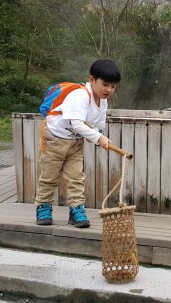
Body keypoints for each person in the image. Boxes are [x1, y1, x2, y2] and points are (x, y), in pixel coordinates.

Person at [35, 59, 121, 228]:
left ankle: (77, 210)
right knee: (49, 176)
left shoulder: (103, 101)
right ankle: (43, 207)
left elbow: (98, 126)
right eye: (105, 84)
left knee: (76, 177)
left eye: (113, 86)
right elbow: (77, 124)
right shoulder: (80, 95)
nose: (109, 90)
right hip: (55, 138)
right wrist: (98, 138)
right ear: (91, 80)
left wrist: (99, 136)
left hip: (75, 142)